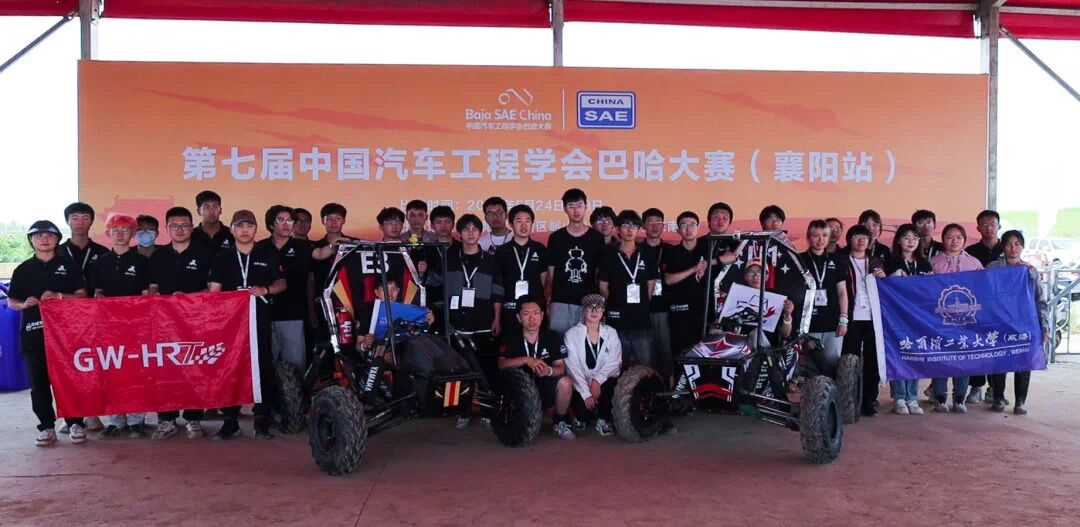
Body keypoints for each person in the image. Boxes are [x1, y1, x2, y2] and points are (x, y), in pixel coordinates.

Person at [7, 221, 89, 447]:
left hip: (67, 336)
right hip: (34, 334)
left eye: (49, 235)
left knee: (70, 380)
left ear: (57, 239)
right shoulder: (23, 269)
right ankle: (46, 427)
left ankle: (76, 423)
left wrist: (60, 297)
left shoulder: (68, 265)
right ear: (31, 240)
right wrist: (24, 304)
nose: (44, 239)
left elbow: (83, 295)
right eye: (39, 236)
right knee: (39, 384)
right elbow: (12, 301)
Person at [208, 210, 286, 440]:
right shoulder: (222, 257)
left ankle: (261, 419)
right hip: (230, 324)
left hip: (259, 319)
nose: (244, 230)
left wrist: (266, 289)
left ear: (255, 229)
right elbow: (214, 291)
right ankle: (230, 420)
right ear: (232, 229)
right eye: (240, 226)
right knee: (229, 367)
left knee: (262, 367)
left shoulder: (267, 253)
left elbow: (282, 283)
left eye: (249, 226)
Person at [428, 214, 504, 427]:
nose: (470, 233)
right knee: (460, 371)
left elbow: (498, 293)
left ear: (480, 233)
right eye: (466, 229)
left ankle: (488, 410)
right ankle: (464, 410)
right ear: (459, 234)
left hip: (483, 322)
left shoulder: (491, 261)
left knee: (487, 368)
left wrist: (497, 319)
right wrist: (424, 271)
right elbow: (433, 282)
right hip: (456, 324)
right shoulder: (449, 259)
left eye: (474, 229)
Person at [148, 206, 214, 440]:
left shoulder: (205, 254)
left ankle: (193, 418)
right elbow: (152, 288)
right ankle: (166, 419)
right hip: (164, 323)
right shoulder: (158, 256)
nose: (179, 229)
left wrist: (187, 299)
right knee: (165, 369)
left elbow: (212, 290)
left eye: (184, 225)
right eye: (174, 226)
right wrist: (159, 300)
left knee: (195, 368)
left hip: (195, 321)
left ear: (192, 227)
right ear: (167, 229)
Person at [92, 215, 151, 438]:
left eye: (125, 230)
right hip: (108, 326)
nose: (119, 234)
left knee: (136, 372)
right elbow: (97, 292)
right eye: (115, 229)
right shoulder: (100, 262)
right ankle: (115, 420)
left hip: (136, 326)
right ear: (108, 233)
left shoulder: (142, 261)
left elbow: (147, 295)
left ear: (132, 234)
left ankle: (136, 421)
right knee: (111, 372)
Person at [986, 230, 1047, 415]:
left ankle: (1020, 401)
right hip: (999, 323)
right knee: (999, 361)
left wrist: (1044, 326)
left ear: (1022, 246)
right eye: (1008, 244)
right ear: (1003, 247)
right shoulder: (993, 268)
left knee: (1024, 362)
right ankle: (998, 398)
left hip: (1025, 324)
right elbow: (984, 293)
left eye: (1017, 244)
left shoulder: (1030, 271)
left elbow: (1039, 300)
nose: (1013, 248)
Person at [498, 298, 576, 440]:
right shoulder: (510, 337)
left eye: (535, 313)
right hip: (519, 389)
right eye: (526, 314)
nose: (531, 318)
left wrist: (548, 371)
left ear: (542, 315)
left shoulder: (552, 337)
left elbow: (561, 368)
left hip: (543, 385)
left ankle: (560, 421)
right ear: (519, 317)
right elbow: (501, 364)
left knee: (566, 382)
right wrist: (526, 360)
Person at [928, 223, 983, 413]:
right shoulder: (933, 262)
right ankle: (940, 398)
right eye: (950, 237)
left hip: (966, 320)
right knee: (941, 357)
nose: (954, 241)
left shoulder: (974, 263)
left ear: (964, 240)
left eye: (959, 237)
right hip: (939, 320)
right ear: (943, 240)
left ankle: (960, 398)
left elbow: (984, 289)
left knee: (963, 358)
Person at [881, 224, 931, 416]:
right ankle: (899, 397)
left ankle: (912, 397)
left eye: (914, 238)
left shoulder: (925, 264)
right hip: (896, 316)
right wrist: (891, 278)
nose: (911, 242)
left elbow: (931, 290)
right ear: (898, 241)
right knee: (899, 354)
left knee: (915, 354)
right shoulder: (890, 262)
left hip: (918, 317)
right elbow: (882, 287)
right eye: (906, 238)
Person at [598, 210, 658, 370]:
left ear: (639, 229)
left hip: (641, 320)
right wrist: (616, 301)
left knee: (645, 367)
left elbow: (651, 285)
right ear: (617, 229)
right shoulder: (609, 254)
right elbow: (603, 286)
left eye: (634, 226)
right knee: (616, 367)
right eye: (625, 225)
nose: (630, 230)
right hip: (616, 319)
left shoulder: (647, 254)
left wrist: (642, 303)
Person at [255, 205, 313, 371]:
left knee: (295, 366)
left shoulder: (302, 247)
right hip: (263, 315)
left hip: (293, 314)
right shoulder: (259, 247)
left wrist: (334, 246)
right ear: (271, 224)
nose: (286, 224)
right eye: (281, 220)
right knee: (264, 366)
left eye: (289, 220)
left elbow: (320, 256)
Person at [546, 188, 606, 334]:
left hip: (588, 301)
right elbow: (552, 272)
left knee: (585, 339)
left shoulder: (596, 238)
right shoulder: (556, 238)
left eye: (579, 206)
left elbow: (598, 273)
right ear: (565, 209)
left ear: (586, 207)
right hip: (561, 301)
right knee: (558, 340)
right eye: (571, 206)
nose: (576, 211)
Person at [842, 224, 886, 417]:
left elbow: (886, 290)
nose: (861, 240)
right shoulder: (842, 261)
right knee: (849, 359)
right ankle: (849, 399)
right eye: (856, 236)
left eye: (865, 237)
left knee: (872, 360)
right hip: (851, 317)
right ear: (849, 240)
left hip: (872, 318)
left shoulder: (876, 262)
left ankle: (869, 400)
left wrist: (882, 278)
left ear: (870, 241)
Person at [563, 294, 622, 436]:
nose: (594, 311)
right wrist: (586, 393)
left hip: (603, 383)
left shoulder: (611, 333)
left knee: (611, 385)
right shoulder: (571, 334)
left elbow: (615, 363)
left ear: (603, 311)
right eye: (590, 307)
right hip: (580, 382)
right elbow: (572, 367)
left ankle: (603, 420)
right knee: (582, 412)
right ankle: (580, 417)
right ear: (584, 310)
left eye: (599, 308)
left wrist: (597, 381)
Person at [964, 210, 1005, 403]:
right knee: (977, 347)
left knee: (998, 348)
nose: (989, 228)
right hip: (977, 307)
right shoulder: (970, 252)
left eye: (993, 224)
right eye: (984, 225)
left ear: (999, 226)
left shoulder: (1007, 249)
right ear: (978, 228)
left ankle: (995, 389)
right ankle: (976, 387)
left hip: (1001, 309)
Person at [799, 220, 849, 371]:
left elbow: (842, 292)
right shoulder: (800, 260)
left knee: (832, 364)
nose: (821, 239)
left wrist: (843, 320)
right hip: (808, 323)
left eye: (825, 235)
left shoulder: (837, 260)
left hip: (832, 323)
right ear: (808, 237)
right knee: (811, 367)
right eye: (816, 235)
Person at [493, 204, 548, 335]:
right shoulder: (502, 251)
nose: (523, 225)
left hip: (534, 310)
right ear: (511, 224)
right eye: (519, 221)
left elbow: (543, 281)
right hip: (509, 308)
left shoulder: (540, 249)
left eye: (527, 221)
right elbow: (498, 285)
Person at [663, 211, 709, 357]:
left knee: (705, 357)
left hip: (704, 314)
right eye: (684, 225)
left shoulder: (707, 249)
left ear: (698, 228)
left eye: (692, 225)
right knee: (680, 356)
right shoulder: (671, 252)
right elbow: (668, 280)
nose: (688, 229)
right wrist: (694, 269)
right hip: (679, 313)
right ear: (677, 230)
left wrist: (709, 263)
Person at [639, 208, 672, 381]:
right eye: (650, 222)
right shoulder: (636, 250)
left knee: (666, 352)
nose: (654, 226)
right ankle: (647, 388)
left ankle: (668, 387)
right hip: (641, 309)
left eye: (658, 222)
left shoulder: (671, 250)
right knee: (645, 355)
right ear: (643, 225)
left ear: (663, 225)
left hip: (665, 308)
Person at [739, 259, 795, 347]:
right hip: (742, 348)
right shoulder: (738, 296)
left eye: (760, 272)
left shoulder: (777, 298)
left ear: (767, 276)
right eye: (750, 272)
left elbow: (785, 334)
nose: (755, 276)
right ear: (745, 277)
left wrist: (788, 315)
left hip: (769, 349)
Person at [60, 201, 109, 293]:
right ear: (67, 221)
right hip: (66, 300)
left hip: (95, 301)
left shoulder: (103, 252)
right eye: (75, 218)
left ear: (91, 222)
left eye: (85, 218)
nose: (80, 223)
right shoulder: (58, 252)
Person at [191, 190, 235, 254]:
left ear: (220, 210)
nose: (211, 211)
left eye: (215, 207)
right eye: (206, 207)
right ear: (199, 211)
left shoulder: (232, 234)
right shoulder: (191, 236)